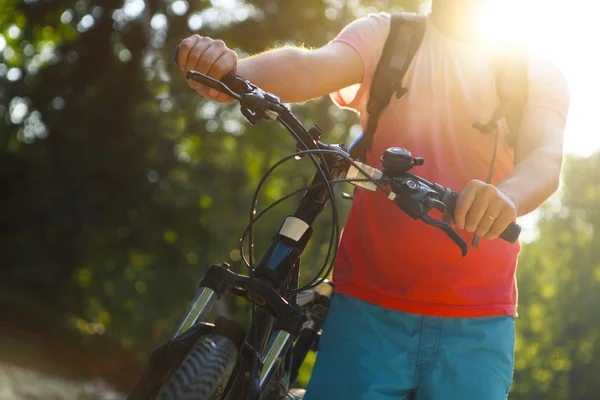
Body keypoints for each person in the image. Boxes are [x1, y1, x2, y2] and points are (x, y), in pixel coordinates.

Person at [176, 0, 570, 398]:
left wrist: (507, 196)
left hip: (478, 323)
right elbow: (307, 67)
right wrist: (235, 72)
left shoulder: (534, 74)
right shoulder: (392, 38)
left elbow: (545, 159)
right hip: (366, 310)